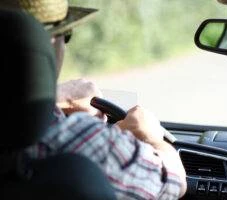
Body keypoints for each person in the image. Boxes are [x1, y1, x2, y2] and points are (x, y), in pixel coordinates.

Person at [0, 0, 187, 199]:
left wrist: (55, 96)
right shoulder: (76, 142)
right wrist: (149, 136)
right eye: (66, 35)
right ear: (47, 43)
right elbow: (173, 180)